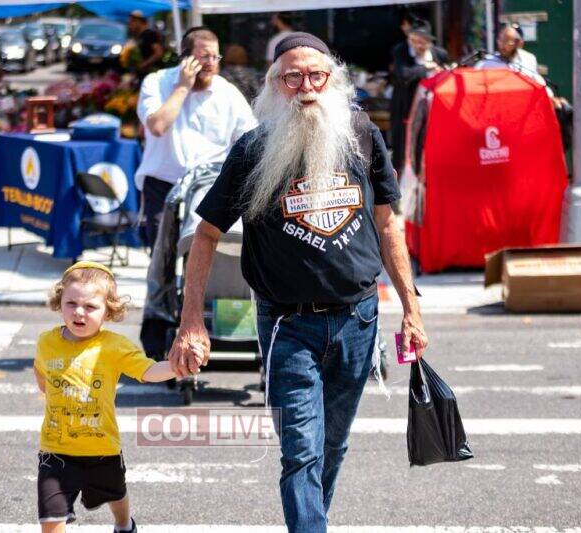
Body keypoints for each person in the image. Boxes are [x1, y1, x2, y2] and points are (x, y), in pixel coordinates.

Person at [168, 32, 429, 533]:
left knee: (333, 445)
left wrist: (411, 309)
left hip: (358, 319)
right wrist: (191, 320)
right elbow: (205, 235)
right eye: (292, 78)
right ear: (274, 85)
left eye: (316, 76)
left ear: (333, 80)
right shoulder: (253, 149)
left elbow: (387, 225)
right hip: (287, 326)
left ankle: (311, 522)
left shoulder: (361, 134)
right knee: (301, 451)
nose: (306, 87)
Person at [33, 261, 181, 533]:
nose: (79, 312)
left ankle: (124, 525)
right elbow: (41, 374)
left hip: (102, 448)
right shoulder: (46, 342)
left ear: (108, 311)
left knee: (115, 493)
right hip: (55, 450)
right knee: (51, 519)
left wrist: (177, 367)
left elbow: (147, 371)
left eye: (90, 306)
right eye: (71, 303)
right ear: (59, 302)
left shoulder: (114, 346)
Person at [135, 27, 256, 249]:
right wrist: (183, 87)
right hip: (163, 184)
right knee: (162, 256)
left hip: (208, 187)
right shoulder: (156, 82)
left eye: (215, 57)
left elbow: (250, 140)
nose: (211, 63)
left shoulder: (227, 92)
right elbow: (158, 126)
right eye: (204, 57)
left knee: (203, 255)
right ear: (185, 58)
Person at [389, 19, 448, 171]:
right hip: (405, 107)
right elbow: (404, 74)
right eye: (415, 41)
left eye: (422, 42)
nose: (418, 46)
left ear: (429, 42)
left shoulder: (439, 54)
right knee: (403, 148)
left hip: (430, 108)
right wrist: (426, 68)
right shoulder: (401, 51)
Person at [127, 10, 165, 76]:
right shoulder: (140, 36)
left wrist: (144, 64)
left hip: (153, 73)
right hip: (144, 74)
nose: (130, 25)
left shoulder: (149, 34)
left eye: (132, 22)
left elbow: (159, 53)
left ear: (139, 21)